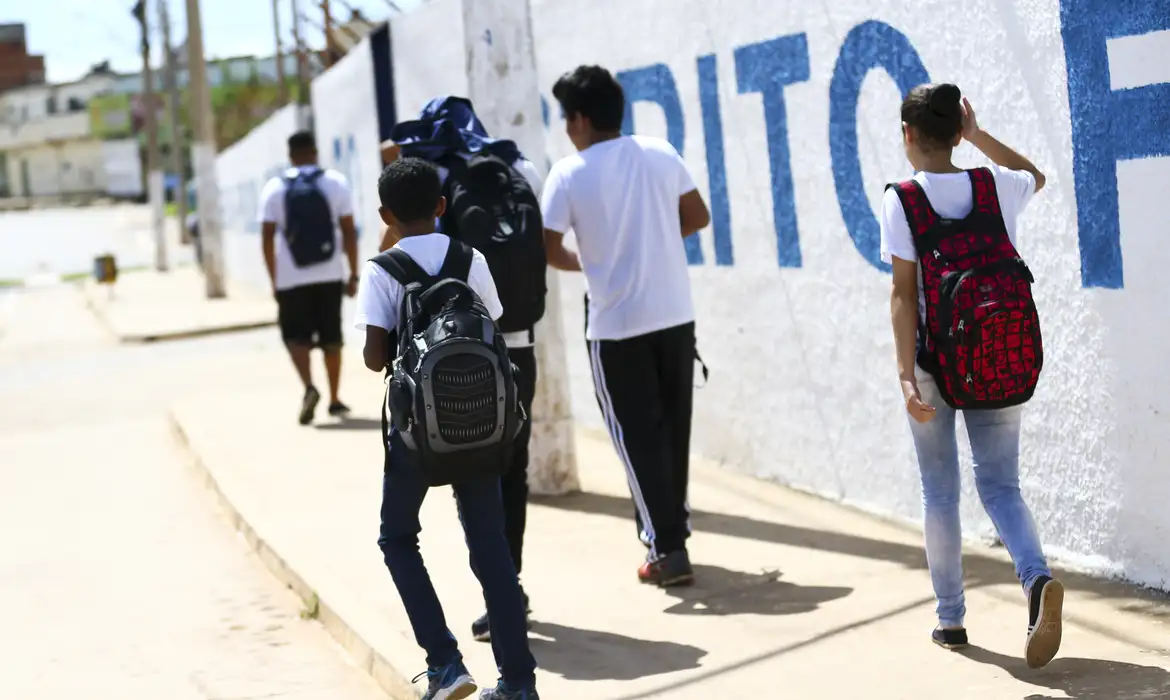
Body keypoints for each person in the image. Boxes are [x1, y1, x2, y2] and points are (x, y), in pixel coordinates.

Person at [879, 82, 1063, 668]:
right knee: (1002, 486)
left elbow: (903, 293)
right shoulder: (993, 185)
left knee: (940, 491)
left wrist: (906, 377)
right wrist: (979, 136)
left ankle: (951, 619)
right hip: (998, 354)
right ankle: (1036, 579)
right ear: (957, 133)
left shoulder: (903, 199)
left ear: (909, 135)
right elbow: (1034, 174)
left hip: (937, 366)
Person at [355, 157, 540, 700]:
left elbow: (373, 357)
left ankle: (444, 664)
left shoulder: (382, 269)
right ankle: (519, 683)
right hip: (481, 424)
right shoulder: (470, 257)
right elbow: (496, 323)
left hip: (417, 431)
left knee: (398, 537)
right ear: (441, 207)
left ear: (386, 214)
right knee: (491, 548)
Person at [382, 96, 546, 642]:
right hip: (512, 352)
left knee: (450, 483)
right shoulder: (516, 167)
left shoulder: (433, 177)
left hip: (433, 367)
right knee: (508, 471)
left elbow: (395, 252)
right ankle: (510, 590)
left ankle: (487, 613)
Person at [541, 65, 711, 587]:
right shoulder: (659, 151)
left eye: (567, 116)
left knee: (636, 439)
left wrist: (592, 263)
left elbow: (547, 247)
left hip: (616, 326)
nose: (567, 127)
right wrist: (653, 241)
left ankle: (666, 548)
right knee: (671, 433)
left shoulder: (569, 173)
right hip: (675, 315)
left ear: (582, 120)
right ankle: (669, 535)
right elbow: (698, 216)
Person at [259, 130, 359, 425]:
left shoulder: (274, 188)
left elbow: (266, 237)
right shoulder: (335, 182)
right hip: (329, 273)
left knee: (295, 337)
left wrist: (274, 278)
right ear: (315, 152)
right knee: (332, 337)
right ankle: (335, 398)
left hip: (291, 278)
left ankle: (309, 387)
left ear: (290, 155)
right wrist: (352, 273)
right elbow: (349, 231)